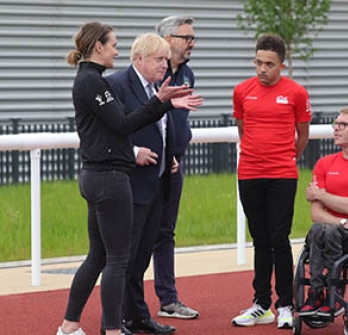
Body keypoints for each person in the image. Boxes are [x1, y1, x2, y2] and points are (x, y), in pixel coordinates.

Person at [56, 22, 194, 335]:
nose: (118, 50)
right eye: (114, 44)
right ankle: (112, 329)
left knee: (99, 256)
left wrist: (161, 103)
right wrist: (161, 102)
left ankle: (70, 325)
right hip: (108, 178)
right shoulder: (93, 82)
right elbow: (123, 124)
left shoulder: (92, 80)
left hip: (98, 176)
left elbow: (117, 125)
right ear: (98, 47)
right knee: (118, 259)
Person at [105, 33, 202, 335]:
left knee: (143, 254)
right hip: (129, 184)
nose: (165, 65)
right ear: (140, 59)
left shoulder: (159, 87)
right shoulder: (117, 85)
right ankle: (115, 320)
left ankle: (137, 315)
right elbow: (109, 130)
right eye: (159, 60)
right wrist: (133, 153)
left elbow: (162, 126)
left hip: (158, 181)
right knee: (126, 255)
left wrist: (169, 155)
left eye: (165, 59)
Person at [231, 33, 312, 329]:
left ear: (282, 65)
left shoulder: (296, 93)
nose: (262, 69)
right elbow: (243, 129)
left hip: (282, 175)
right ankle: (261, 304)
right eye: (258, 62)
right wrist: (256, 157)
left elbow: (302, 135)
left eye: (269, 64)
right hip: (250, 174)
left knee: (279, 239)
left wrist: (286, 159)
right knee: (260, 239)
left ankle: (286, 305)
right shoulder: (241, 91)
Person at [153, 15, 200, 320]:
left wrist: (177, 153)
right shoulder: (150, 75)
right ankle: (125, 302)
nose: (192, 43)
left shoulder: (188, 74)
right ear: (169, 40)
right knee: (137, 236)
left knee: (166, 233)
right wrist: (163, 152)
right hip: (150, 166)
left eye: (193, 38)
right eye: (187, 38)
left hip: (174, 165)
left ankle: (168, 299)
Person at [299, 106, 348, 317]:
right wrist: (342, 221)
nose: (337, 129)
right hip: (333, 230)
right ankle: (317, 291)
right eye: (336, 124)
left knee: (327, 230)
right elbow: (316, 214)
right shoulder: (324, 163)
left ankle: (331, 291)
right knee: (319, 229)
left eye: (344, 125)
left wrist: (321, 195)